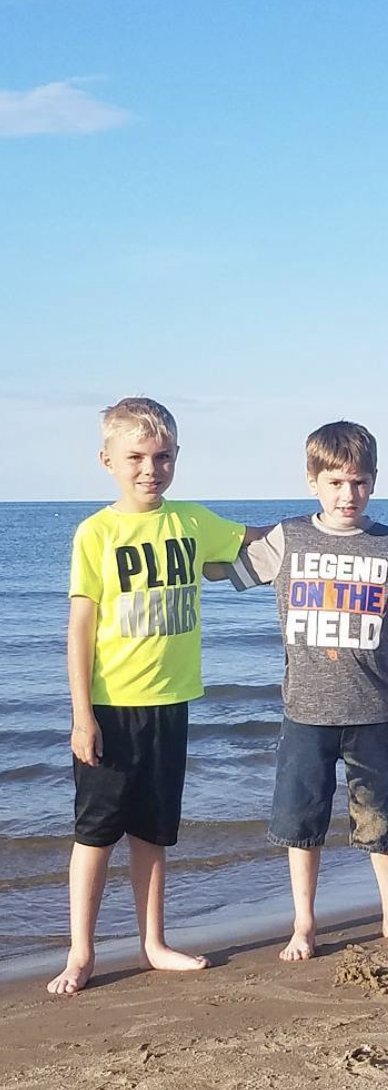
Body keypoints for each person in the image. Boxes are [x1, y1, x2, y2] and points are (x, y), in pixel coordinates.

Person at [212, 420, 388, 961]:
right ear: (312, 481)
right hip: (305, 712)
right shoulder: (289, 538)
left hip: (374, 710)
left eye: (359, 482)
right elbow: (222, 570)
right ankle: (304, 924)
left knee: (381, 818)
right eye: (335, 483)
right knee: (302, 822)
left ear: (374, 481)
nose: (348, 495)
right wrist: (189, 531)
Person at [48, 397, 251, 995]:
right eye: (135, 456)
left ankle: (153, 943)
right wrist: (82, 715)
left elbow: (253, 546)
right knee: (95, 832)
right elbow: (80, 628)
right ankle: (80, 952)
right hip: (110, 708)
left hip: (170, 702)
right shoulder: (96, 533)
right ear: (107, 460)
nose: (150, 469)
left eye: (162, 457)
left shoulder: (192, 522)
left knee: (154, 831)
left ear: (177, 457)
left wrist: (320, 529)